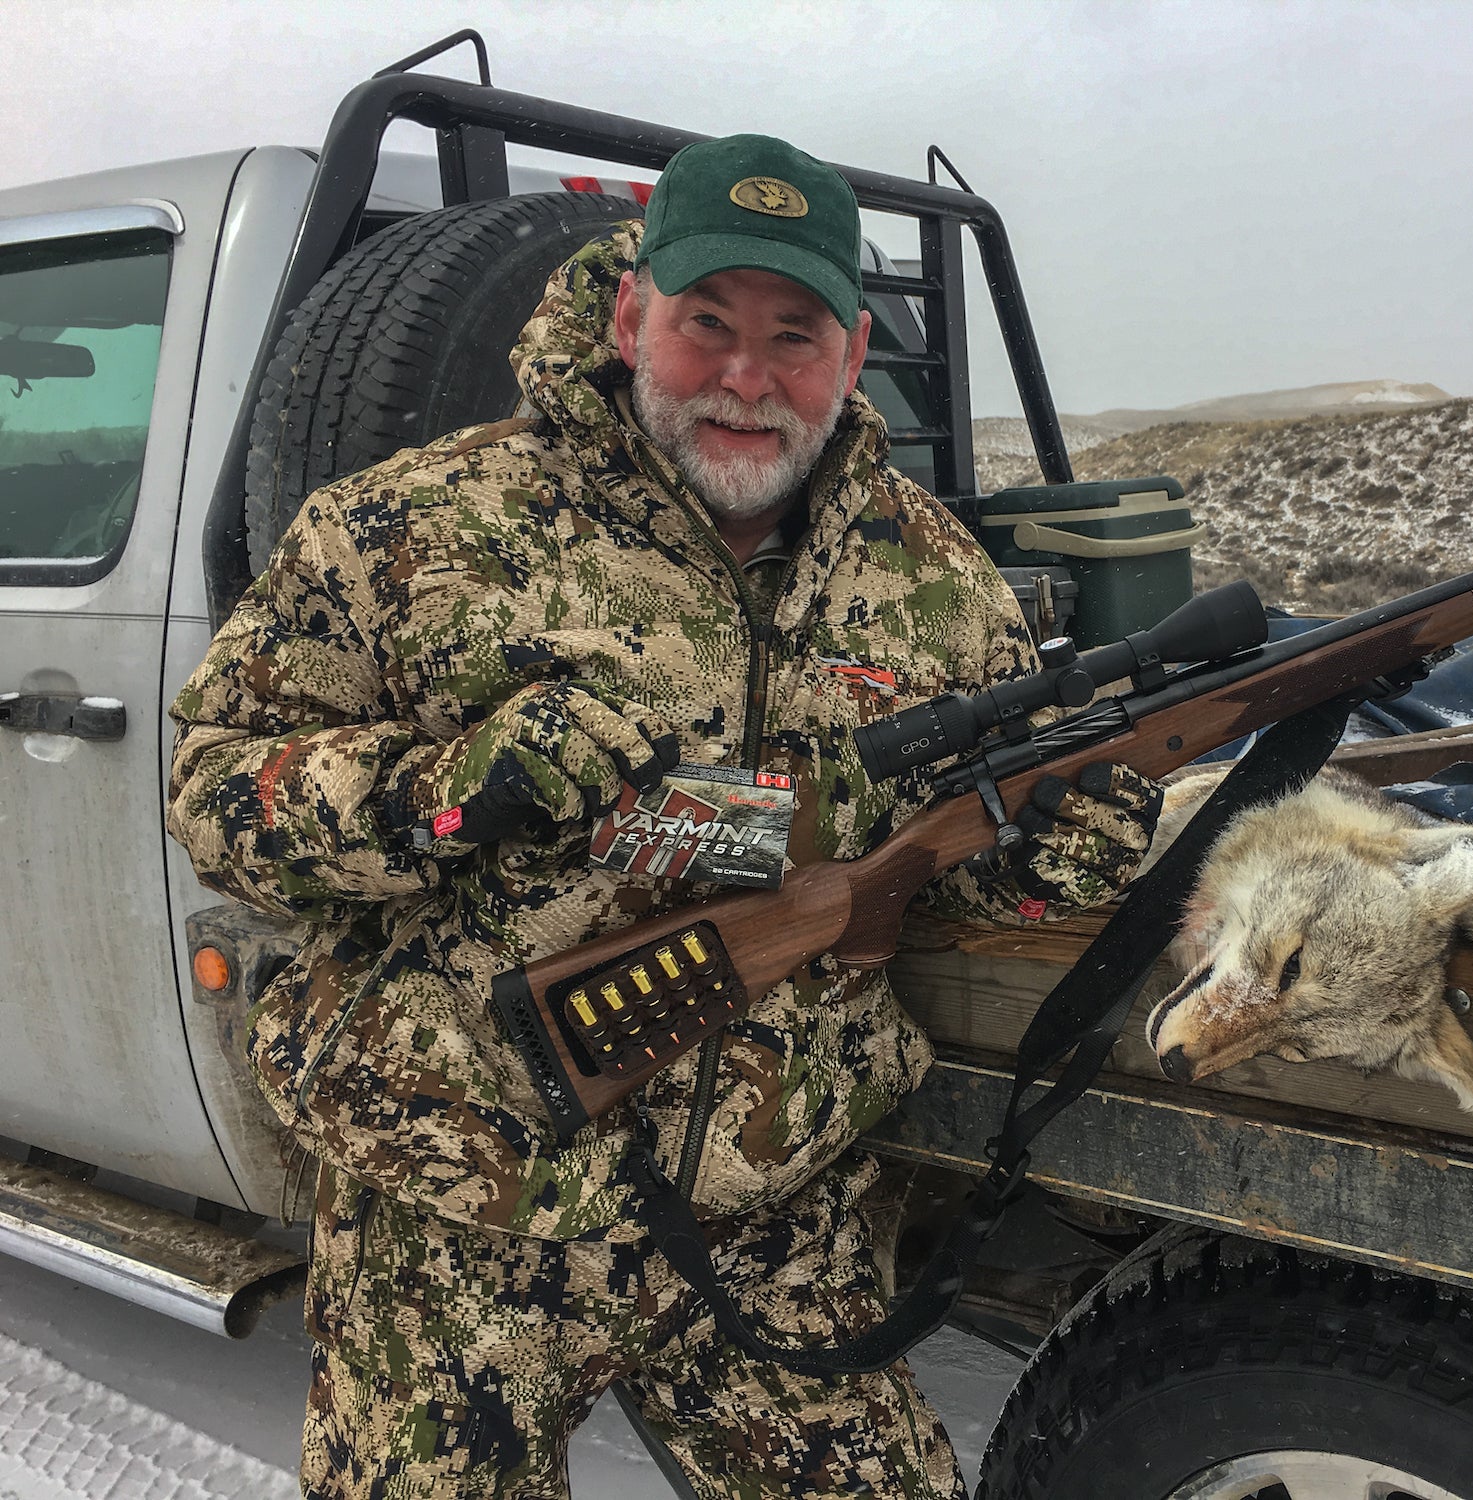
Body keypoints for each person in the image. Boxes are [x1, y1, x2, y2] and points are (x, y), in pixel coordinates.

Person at [166, 133, 1160, 1499]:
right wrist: (435, 798)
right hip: (462, 1211)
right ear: (632, 315)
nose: (749, 377)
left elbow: (947, 859)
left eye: (794, 336)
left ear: (853, 355)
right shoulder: (409, 526)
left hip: (778, 1216)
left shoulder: (933, 575)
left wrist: (1055, 849)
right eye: (709, 325)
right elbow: (215, 789)